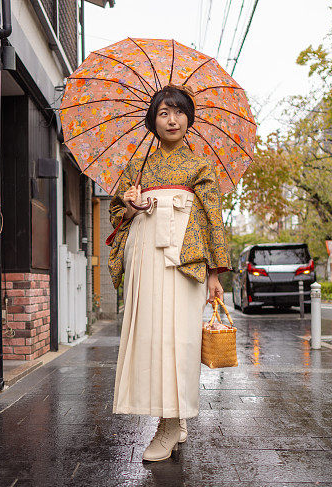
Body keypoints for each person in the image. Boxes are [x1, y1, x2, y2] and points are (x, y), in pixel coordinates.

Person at [107, 85, 231, 462]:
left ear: (189, 119)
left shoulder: (200, 166)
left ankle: (170, 423)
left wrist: (215, 272)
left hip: (185, 259)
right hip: (145, 255)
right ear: (153, 121)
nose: (171, 119)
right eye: (163, 113)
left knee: (179, 340)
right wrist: (129, 205)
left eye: (178, 112)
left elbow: (213, 218)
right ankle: (171, 418)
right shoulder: (138, 167)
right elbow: (116, 215)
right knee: (151, 338)